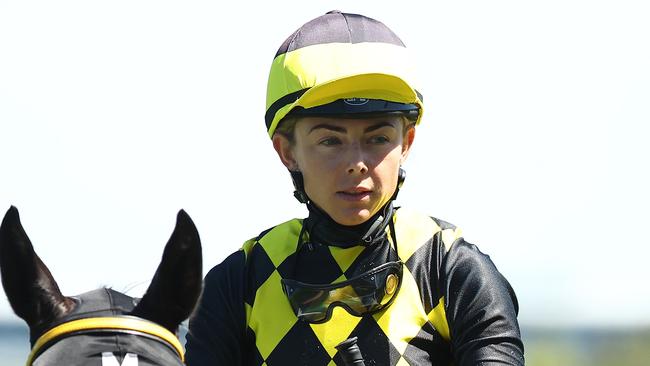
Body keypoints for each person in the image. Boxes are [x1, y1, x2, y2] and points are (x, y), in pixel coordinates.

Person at [185, 10, 524, 366]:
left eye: (378, 137)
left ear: (406, 143)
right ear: (287, 151)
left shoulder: (454, 270)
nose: (357, 163)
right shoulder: (238, 281)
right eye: (331, 140)